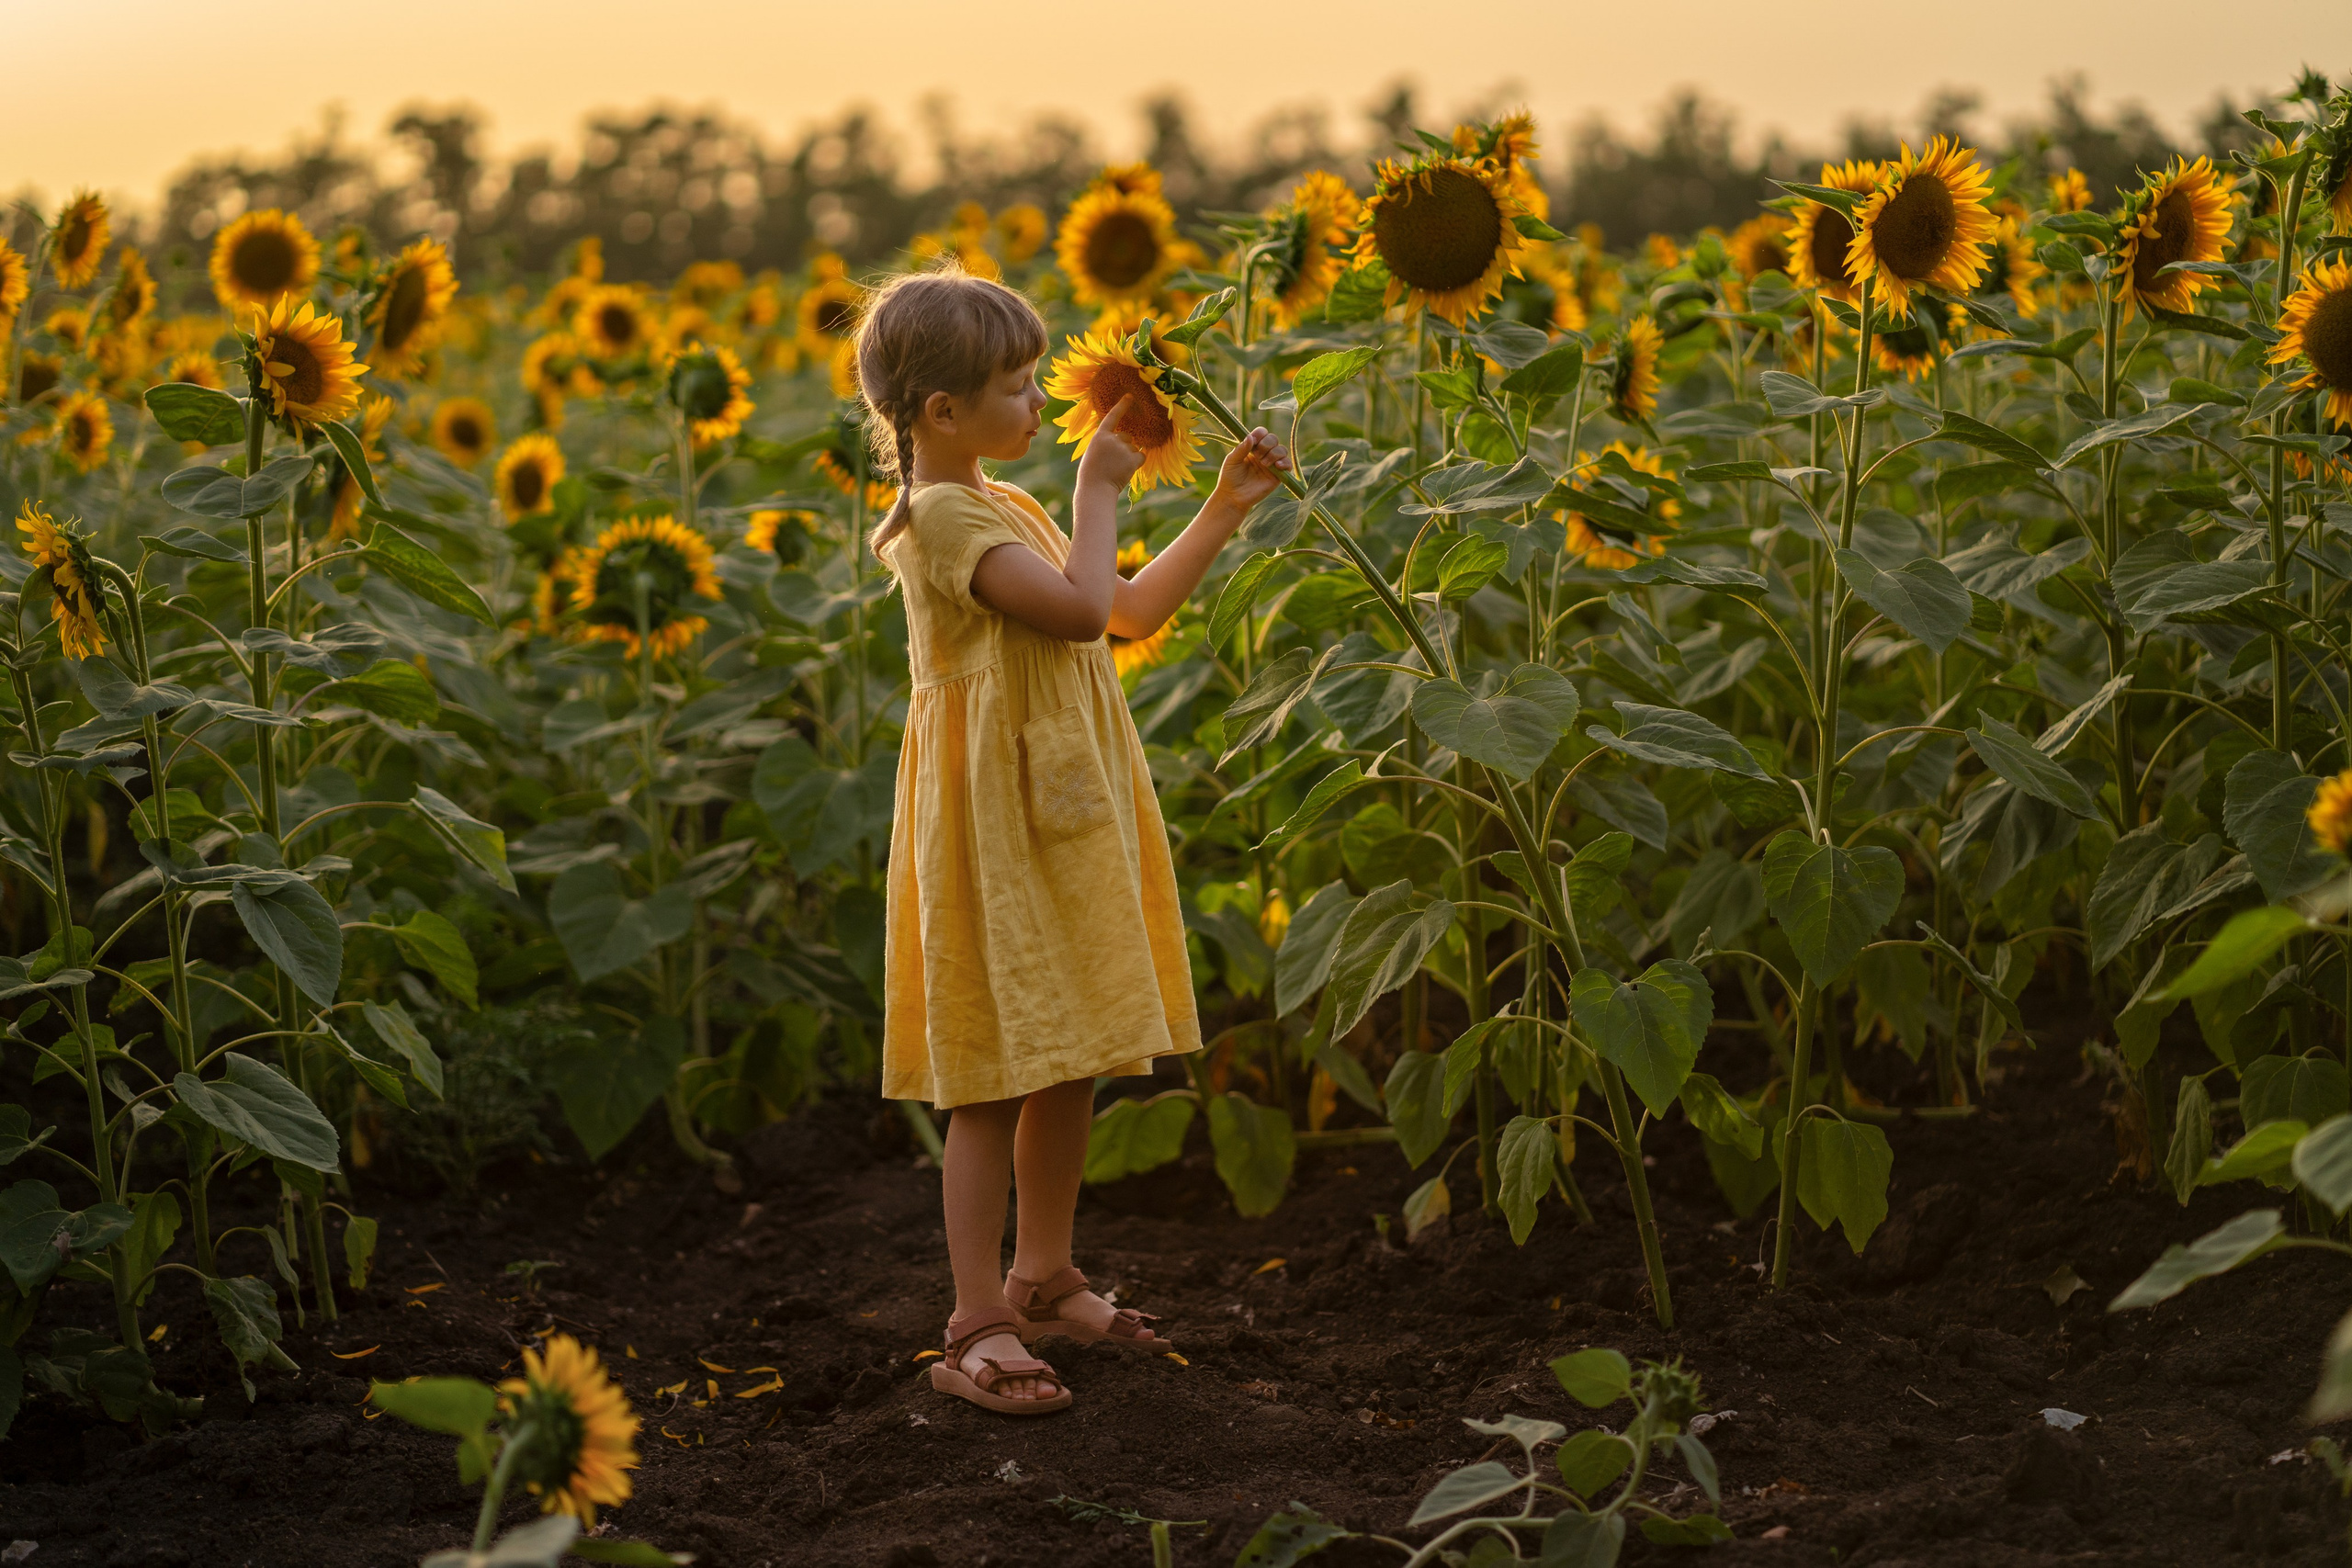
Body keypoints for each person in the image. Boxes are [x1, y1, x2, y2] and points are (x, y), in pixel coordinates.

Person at [855, 263, 1290, 1414]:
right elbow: (1077, 609)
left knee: (1072, 1051)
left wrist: (1223, 506)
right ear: (942, 414)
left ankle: (1043, 1277)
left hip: (1058, 808)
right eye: (1017, 385)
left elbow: (1130, 617)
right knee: (995, 1078)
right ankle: (975, 1322)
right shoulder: (942, 518)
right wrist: (1102, 480)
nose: (1042, 403)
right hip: (996, 830)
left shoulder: (1007, 503)